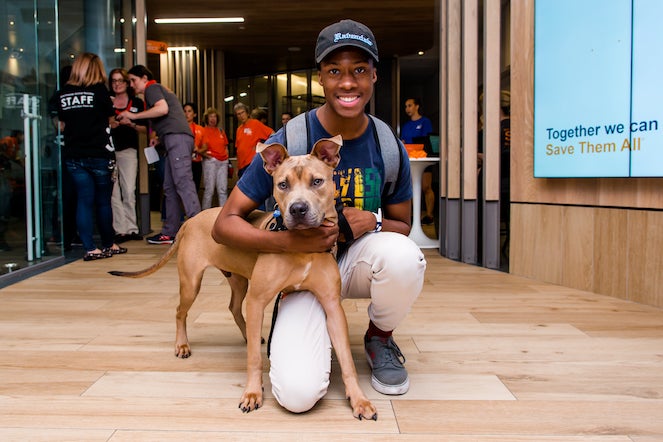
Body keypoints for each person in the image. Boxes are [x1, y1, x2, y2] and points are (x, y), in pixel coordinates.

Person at [212, 19, 426, 413]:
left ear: (374, 76)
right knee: (296, 394)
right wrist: (286, 241)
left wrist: (371, 222)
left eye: (359, 70)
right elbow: (224, 225)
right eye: (335, 72)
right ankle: (307, 335)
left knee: (403, 256)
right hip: (297, 265)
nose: (348, 83)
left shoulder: (387, 143)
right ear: (322, 80)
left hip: (354, 260)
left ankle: (379, 337)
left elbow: (402, 226)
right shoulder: (289, 141)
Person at [118, 65, 201, 245]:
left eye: (133, 80)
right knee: (170, 187)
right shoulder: (156, 90)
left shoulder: (152, 88)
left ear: (144, 78)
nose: (131, 84)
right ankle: (170, 232)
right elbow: (165, 116)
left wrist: (133, 116)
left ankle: (200, 230)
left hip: (177, 139)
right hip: (172, 140)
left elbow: (162, 109)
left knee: (183, 182)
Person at [56, 52, 127, 261]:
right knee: (103, 201)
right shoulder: (99, 91)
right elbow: (110, 119)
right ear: (96, 69)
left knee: (84, 201)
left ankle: (89, 248)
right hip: (98, 153)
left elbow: (62, 123)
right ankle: (108, 244)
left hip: (73, 155)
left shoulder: (63, 94)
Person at [108, 68, 145, 243]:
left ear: (126, 83)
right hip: (108, 150)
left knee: (129, 190)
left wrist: (131, 124)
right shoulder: (107, 102)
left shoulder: (136, 102)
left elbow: (146, 128)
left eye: (120, 80)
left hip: (129, 151)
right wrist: (110, 124)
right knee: (114, 192)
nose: (117, 84)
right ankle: (119, 229)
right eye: (114, 81)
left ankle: (131, 228)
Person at [401, 97, 435, 225]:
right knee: (411, 188)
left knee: (426, 187)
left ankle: (429, 215)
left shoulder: (425, 122)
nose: (407, 109)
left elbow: (427, 139)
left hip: (423, 158)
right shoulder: (406, 125)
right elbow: (403, 141)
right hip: (409, 160)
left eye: (409, 105)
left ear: (417, 106)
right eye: (406, 106)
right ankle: (413, 216)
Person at [200, 107, 230, 208]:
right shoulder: (203, 131)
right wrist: (206, 156)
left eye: (214, 117)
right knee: (209, 190)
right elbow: (198, 148)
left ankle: (224, 213)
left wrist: (226, 156)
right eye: (210, 117)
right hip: (211, 161)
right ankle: (205, 213)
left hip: (223, 161)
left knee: (223, 189)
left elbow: (225, 145)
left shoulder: (221, 131)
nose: (213, 119)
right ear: (206, 119)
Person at [232, 102, 273, 177]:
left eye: (242, 112)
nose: (241, 115)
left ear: (247, 113)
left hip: (252, 163)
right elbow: (238, 149)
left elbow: (272, 134)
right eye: (238, 114)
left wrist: (263, 148)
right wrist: (237, 167)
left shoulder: (255, 123)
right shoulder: (239, 129)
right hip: (241, 165)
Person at [183, 102, 204, 197]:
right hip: (183, 161)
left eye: (189, 111)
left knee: (195, 188)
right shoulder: (179, 128)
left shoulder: (200, 129)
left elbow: (206, 146)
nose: (187, 114)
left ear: (194, 114)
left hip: (196, 161)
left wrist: (198, 150)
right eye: (185, 111)